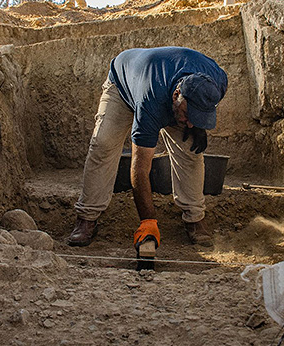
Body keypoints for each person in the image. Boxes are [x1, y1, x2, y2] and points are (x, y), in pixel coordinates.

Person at [68, 46, 228, 253]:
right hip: (123, 85)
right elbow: (140, 168)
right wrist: (148, 221)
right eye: (188, 115)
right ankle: (86, 218)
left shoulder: (217, 82)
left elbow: (197, 110)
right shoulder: (150, 100)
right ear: (176, 95)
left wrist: (197, 124)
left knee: (190, 153)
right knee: (103, 145)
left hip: (163, 83)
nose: (189, 124)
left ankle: (195, 218)